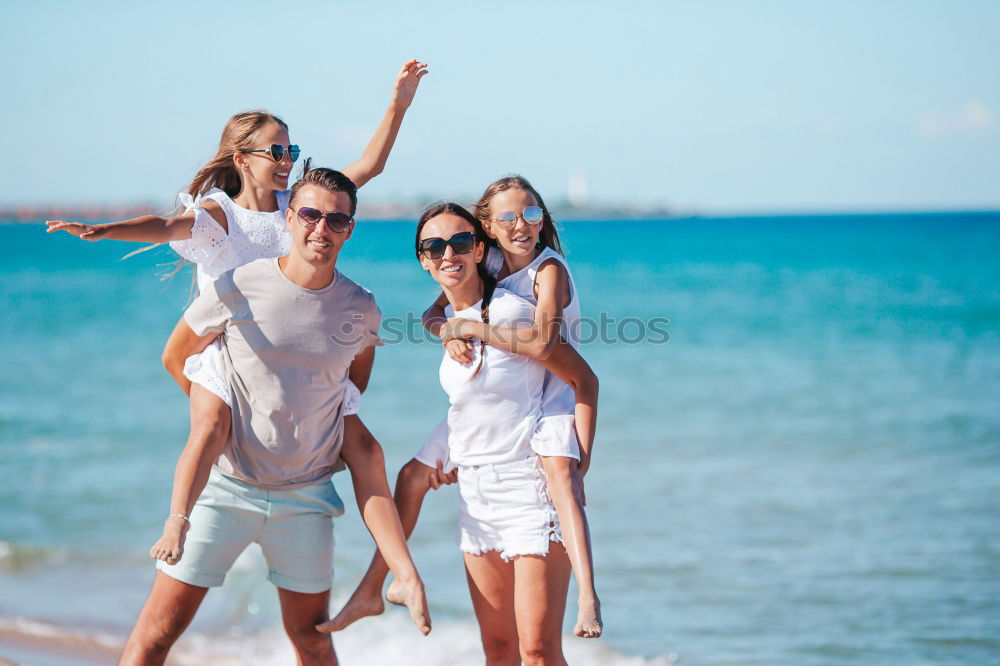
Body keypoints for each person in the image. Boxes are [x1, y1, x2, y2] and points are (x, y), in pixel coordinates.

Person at [45, 60, 428, 567]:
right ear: (242, 158)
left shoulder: (301, 204)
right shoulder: (220, 212)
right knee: (210, 425)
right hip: (225, 350)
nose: (287, 160)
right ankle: (177, 521)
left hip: (286, 356)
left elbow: (367, 168)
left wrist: (397, 105)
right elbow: (164, 225)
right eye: (276, 151)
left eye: (291, 150)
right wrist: (102, 230)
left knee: (345, 435)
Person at [119, 168, 429, 666]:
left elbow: (353, 381)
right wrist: (219, 416)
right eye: (308, 214)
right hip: (225, 490)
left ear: (350, 228)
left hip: (305, 500)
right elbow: (177, 357)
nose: (320, 229)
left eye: (335, 220)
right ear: (288, 218)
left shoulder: (361, 307)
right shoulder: (237, 284)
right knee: (157, 633)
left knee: (311, 638)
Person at [326, 178, 603, 641]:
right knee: (411, 477)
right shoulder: (472, 293)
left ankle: (590, 597)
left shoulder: (531, 291)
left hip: (529, 452)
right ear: (423, 259)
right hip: (476, 465)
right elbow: (434, 316)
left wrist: (583, 454)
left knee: (536, 649)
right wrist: (450, 328)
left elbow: (569, 366)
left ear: (477, 247)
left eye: (458, 242)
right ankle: (378, 586)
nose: (448, 253)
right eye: (434, 246)